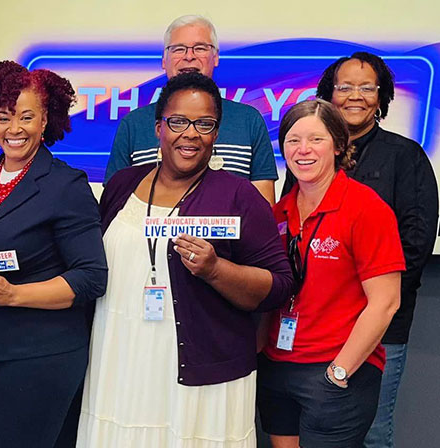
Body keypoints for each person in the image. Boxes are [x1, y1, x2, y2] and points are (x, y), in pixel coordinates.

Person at [79, 72, 293, 447]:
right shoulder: (120, 185)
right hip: (121, 363)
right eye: (178, 121)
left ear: (216, 132)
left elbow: (278, 284)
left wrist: (216, 270)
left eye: (204, 124)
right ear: (159, 127)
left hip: (201, 377)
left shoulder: (237, 196)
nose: (190, 133)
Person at [0, 60, 107, 447]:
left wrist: (14, 295)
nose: (14, 129)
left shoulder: (65, 185)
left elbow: (91, 275)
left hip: (35, 359)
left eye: (27, 117)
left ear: (46, 121)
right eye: (4, 117)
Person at [279, 52, 439, 448]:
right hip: (305, 334)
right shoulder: (304, 161)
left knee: (370, 436)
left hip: (377, 328)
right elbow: (287, 237)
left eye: (367, 87)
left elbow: (414, 247)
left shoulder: (406, 156)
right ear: (328, 94)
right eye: (345, 86)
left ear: (381, 95)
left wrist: (362, 305)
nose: (355, 96)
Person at [258, 100, 403, 448]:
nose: (303, 150)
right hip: (279, 365)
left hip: (335, 370)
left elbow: (385, 303)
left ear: (339, 145)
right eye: (293, 140)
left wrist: (339, 372)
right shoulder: (279, 212)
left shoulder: (366, 208)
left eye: (316, 139)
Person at [104, 14, 277, 204]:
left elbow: (264, 209)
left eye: (200, 48)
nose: (189, 56)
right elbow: (114, 204)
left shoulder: (249, 120)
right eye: (178, 49)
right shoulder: (133, 123)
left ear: (216, 58)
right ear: (164, 60)